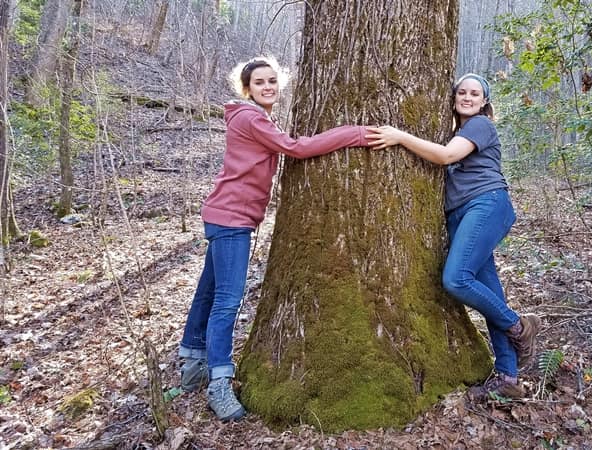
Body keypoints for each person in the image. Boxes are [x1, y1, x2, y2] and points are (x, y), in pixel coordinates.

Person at [178, 56, 370, 421]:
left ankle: (191, 363)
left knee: (208, 292)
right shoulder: (251, 118)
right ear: (247, 88)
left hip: (225, 216)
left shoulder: (252, 117)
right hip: (232, 219)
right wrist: (355, 134)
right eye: (260, 83)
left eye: (272, 81)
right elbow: (296, 148)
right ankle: (219, 382)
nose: (268, 87)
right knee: (226, 301)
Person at [366, 73, 540, 399]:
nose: (468, 97)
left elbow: (445, 157)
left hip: (486, 204)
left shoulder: (479, 126)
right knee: (488, 291)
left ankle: (519, 326)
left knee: (456, 279)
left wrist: (400, 136)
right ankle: (508, 377)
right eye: (462, 92)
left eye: (475, 93)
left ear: (485, 101)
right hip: (462, 215)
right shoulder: (455, 132)